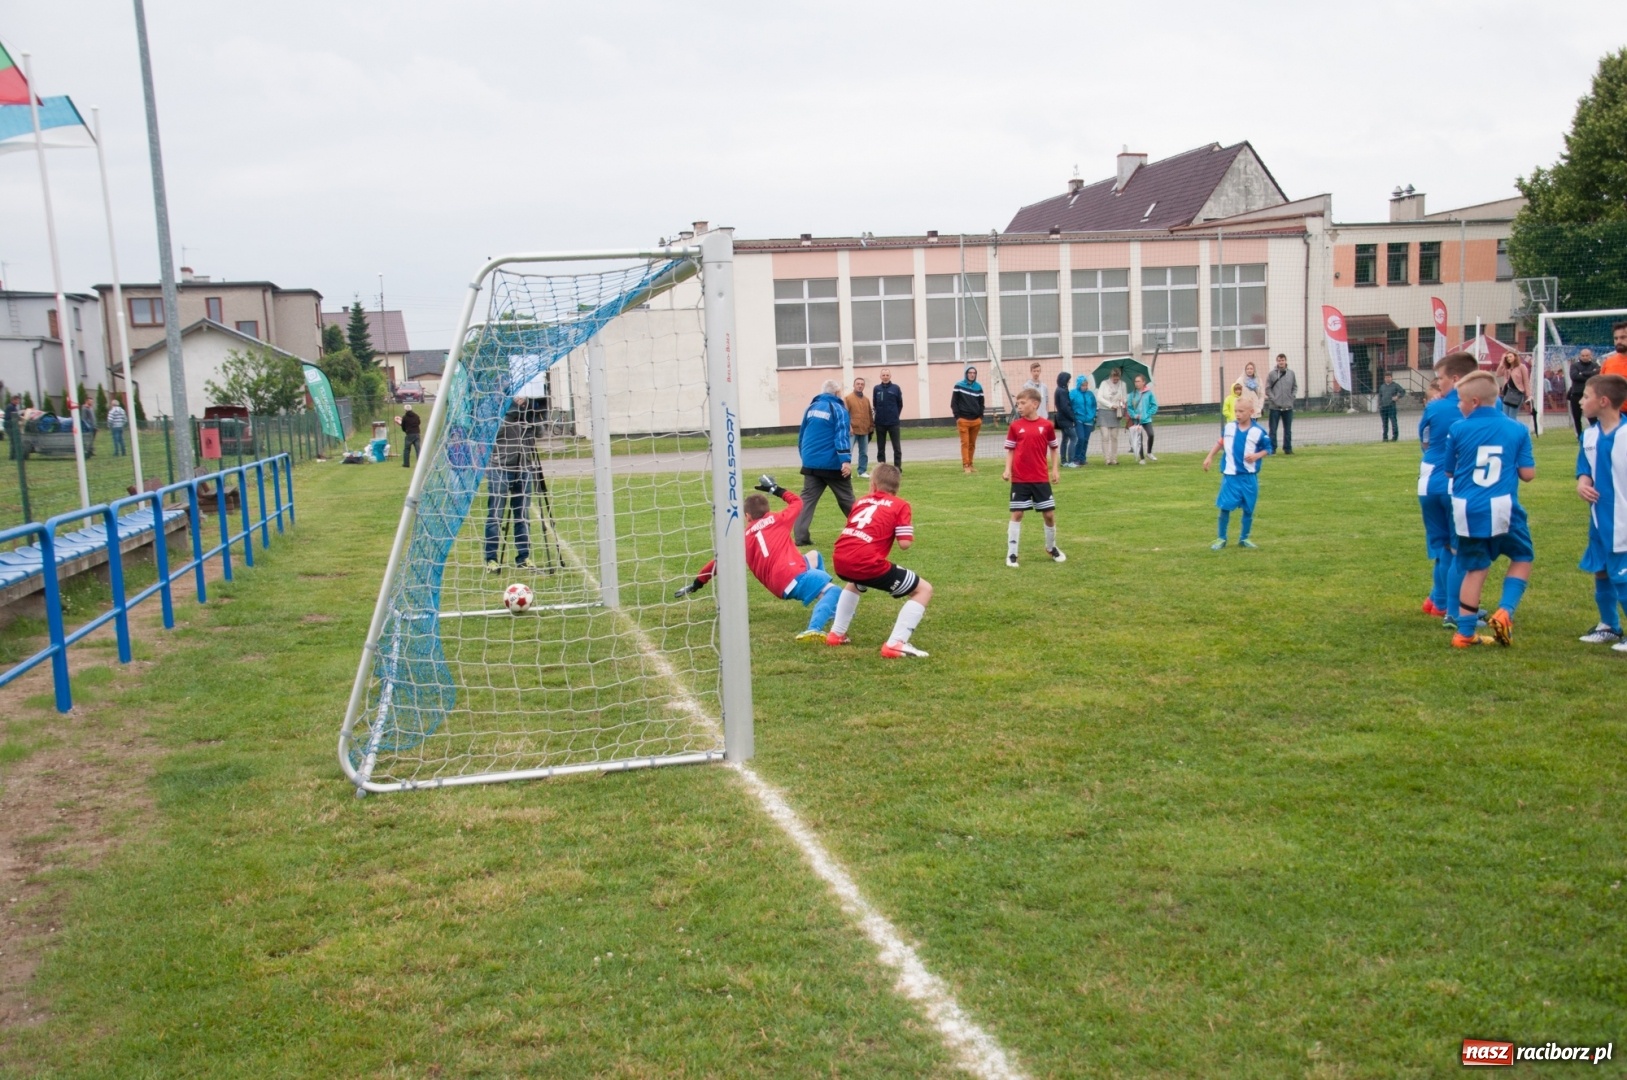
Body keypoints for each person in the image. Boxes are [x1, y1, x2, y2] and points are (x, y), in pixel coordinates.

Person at [676, 476, 842, 642]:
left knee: (814, 556)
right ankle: (813, 629)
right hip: (793, 577)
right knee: (834, 590)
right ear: (767, 510)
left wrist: (697, 583)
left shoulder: (742, 539)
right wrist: (775, 489)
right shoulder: (779, 518)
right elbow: (797, 502)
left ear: (747, 516)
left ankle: (828, 608)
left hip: (777, 585)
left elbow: (718, 563)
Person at [1442, 370, 1535, 648]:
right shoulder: (1517, 429)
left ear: (1473, 401)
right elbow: (1528, 474)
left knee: (1475, 568)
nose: (1458, 405)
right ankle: (1505, 610)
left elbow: (1449, 472)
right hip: (1502, 507)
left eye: (1459, 400)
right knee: (1522, 556)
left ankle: (1464, 634)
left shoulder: (1458, 429)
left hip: (1466, 509)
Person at [826, 463, 932, 659]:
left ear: (873, 484)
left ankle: (836, 634)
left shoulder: (861, 501)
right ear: (897, 487)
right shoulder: (900, 505)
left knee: (856, 581)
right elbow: (905, 544)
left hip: (840, 558)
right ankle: (896, 644)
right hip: (865, 562)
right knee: (923, 590)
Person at [1418, 352, 1481, 621]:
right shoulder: (1486, 406)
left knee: (1443, 548)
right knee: (1459, 550)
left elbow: (1424, 441)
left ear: (1456, 379)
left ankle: (1438, 601)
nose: (1438, 384)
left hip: (1428, 483)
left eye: (1440, 378)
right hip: (1458, 484)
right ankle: (1456, 611)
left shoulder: (1434, 407)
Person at [1574, 374, 1627, 648]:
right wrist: (1583, 482)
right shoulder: (1590, 435)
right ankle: (1609, 626)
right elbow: (1585, 468)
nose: (1581, 402)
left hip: (1622, 521)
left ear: (1603, 401)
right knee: (1602, 570)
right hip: (1598, 519)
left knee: (1622, 574)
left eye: (1586, 396)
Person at [1001, 387, 1064, 566]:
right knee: (1018, 514)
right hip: (1020, 478)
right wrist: (1007, 470)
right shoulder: (1015, 426)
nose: (1019, 407)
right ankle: (1012, 554)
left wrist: (1055, 470)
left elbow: (1053, 448)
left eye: (1023, 403)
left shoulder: (1046, 426)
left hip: (1040, 478)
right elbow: (1010, 450)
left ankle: (1051, 547)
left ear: (1035, 404)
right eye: (1017, 404)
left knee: (1049, 515)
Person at [1203, 396, 1272, 549]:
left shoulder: (1258, 431)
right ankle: (1221, 538)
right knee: (1225, 507)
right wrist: (1210, 456)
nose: (1238, 414)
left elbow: (1268, 449)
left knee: (1249, 508)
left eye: (1241, 411)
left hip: (1248, 477)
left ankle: (1244, 538)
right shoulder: (1229, 428)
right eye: (1236, 411)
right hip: (1231, 476)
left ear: (1251, 412)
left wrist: (1256, 456)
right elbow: (1221, 442)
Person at [792, 379, 855, 547]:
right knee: (847, 499)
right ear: (837, 393)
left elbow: (802, 436)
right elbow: (841, 436)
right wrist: (846, 461)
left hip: (811, 464)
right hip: (832, 465)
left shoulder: (811, 408)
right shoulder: (838, 409)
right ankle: (864, 530)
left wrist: (805, 457)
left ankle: (800, 536)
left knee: (806, 501)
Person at [484, 397, 541, 571]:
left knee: (522, 515)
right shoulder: (496, 414)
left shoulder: (527, 415)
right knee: (495, 515)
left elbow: (539, 429)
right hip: (499, 469)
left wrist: (527, 405)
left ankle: (524, 557)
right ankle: (491, 559)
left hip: (524, 468)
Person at [950, 365, 984, 474]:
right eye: (970, 372)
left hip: (976, 420)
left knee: (972, 444)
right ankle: (966, 465)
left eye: (974, 373)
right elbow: (954, 403)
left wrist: (980, 417)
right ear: (966, 374)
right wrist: (958, 417)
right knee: (965, 443)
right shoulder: (958, 385)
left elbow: (981, 403)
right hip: (963, 420)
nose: (972, 374)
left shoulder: (979, 387)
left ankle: (971, 463)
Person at [1265, 353, 1296, 454]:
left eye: (1282, 360)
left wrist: (1292, 397)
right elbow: (1268, 388)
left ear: (1285, 361)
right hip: (1275, 407)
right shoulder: (1272, 374)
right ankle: (1272, 449)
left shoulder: (1291, 373)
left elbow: (1295, 386)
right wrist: (1273, 399)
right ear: (1277, 361)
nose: (1281, 362)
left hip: (1288, 406)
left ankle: (1288, 448)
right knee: (1273, 430)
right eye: (1279, 360)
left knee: (1288, 430)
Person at [872, 368, 904, 469]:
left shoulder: (896, 388)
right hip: (880, 422)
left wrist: (894, 415)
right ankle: (882, 468)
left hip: (893, 422)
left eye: (887, 375)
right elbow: (875, 404)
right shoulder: (877, 389)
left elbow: (900, 404)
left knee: (896, 447)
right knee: (881, 448)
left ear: (890, 376)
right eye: (883, 375)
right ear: (880, 376)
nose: (885, 377)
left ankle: (897, 468)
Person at [1096, 367, 1127, 465]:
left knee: (1114, 437)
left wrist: (1123, 401)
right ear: (1111, 376)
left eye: (1117, 379)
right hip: (1104, 412)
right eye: (1114, 378)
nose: (1116, 380)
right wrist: (1110, 405)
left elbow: (1125, 398)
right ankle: (1107, 459)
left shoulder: (1123, 385)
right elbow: (1099, 397)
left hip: (1116, 413)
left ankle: (1114, 459)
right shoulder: (1104, 384)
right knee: (1105, 436)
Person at [1569, 348, 1602, 438]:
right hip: (1576, 394)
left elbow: (1597, 375)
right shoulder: (1574, 365)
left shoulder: (1595, 365)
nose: (1585, 357)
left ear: (1590, 356)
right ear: (1580, 356)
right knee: (1576, 417)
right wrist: (1589, 375)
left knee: (1592, 416)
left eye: (1587, 355)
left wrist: (1582, 373)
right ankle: (1579, 436)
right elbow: (1574, 376)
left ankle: (1595, 435)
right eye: (1583, 355)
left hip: (1590, 395)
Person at [845, 376, 873, 478]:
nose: (860, 386)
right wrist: (849, 427)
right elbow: (845, 414)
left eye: (862, 384)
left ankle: (862, 471)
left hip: (864, 429)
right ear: (854, 385)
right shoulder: (848, 398)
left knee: (864, 452)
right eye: (858, 384)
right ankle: (847, 471)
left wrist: (871, 426)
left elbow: (869, 414)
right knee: (848, 452)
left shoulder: (866, 400)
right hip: (852, 430)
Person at [1128, 373, 1158, 463]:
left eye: (1138, 381)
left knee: (1151, 434)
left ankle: (1149, 452)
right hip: (1136, 420)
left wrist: (1147, 414)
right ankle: (1142, 458)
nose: (1136, 383)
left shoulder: (1149, 393)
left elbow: (1154, 405)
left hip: (1146, 419)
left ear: (1143, 382)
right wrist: (1134, 415)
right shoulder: (1132, 394)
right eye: (1135, 381)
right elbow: (1129, 407)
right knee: (1139, 438)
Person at [1496, 350, 1531, 425]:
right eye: (1507, 357)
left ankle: (1513, 431)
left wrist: (1528, 395)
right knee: (1505, 415)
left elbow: (1526, 381)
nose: (1508, 358)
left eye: (1510, 356)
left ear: (1515, 357)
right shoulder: (1506, 368)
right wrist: (1502, 362)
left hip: (1517, 393)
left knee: (1512, 416)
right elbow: (1498, 374)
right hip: (1507, 393)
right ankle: (1506, 432)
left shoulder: (1521, 367)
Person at [1069, 374, 1095, 467]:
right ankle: (1076, 458)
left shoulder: (1090, 394)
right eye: (1083, 385)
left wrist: (1093, 415)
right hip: (1078, 419)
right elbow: (1069, 405)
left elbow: (1093, 405)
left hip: (1089, 419)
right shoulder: (1073, 393)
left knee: (1086, 440)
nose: (1084, 387)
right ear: (1079, 384)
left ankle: (1082, 458)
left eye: (1086, 385)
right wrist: (1073, 415)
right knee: (1080, 438)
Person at [1601, 321, 1627, 413]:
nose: (1618, 341)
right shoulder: (1608, 362)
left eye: (1623, 337)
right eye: (1616, 338)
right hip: (1614, 414)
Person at [1052, 371, 1076, 467]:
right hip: (1065, 419)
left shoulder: (1059, 389)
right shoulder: (1062, 391)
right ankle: (1070, 461)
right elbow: (1065, 407)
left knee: (1065, 439)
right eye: (1068, 380)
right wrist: (1072, 417)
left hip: (1060, 418)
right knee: (1074, 438)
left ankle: (1063, 461)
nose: (1069, 382)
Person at [1377, 370, 1405, 441]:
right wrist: (1379, 405)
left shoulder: (1395, 385)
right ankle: (1385, 437)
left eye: (1389, 377)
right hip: (1383, 407)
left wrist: (1397, 397)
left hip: (1391, 407)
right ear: (1384, 378)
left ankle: (1395, 437)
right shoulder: (1382, 387)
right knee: (1384, 423)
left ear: (1391, 378)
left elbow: (1402, 391)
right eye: (1386, 377)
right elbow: (1380, 396)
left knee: (1393, 422)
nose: (1387, 379)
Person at [397, 403, 422, 468]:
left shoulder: (404, 417)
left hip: (409, 435)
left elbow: (403, 426)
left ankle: (406, 464)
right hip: (416, 434)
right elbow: (419, 423)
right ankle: (420, 464)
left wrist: (405, 430)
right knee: (418, 449)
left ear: (405, 410)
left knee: (407, 449)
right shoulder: (416, 416)